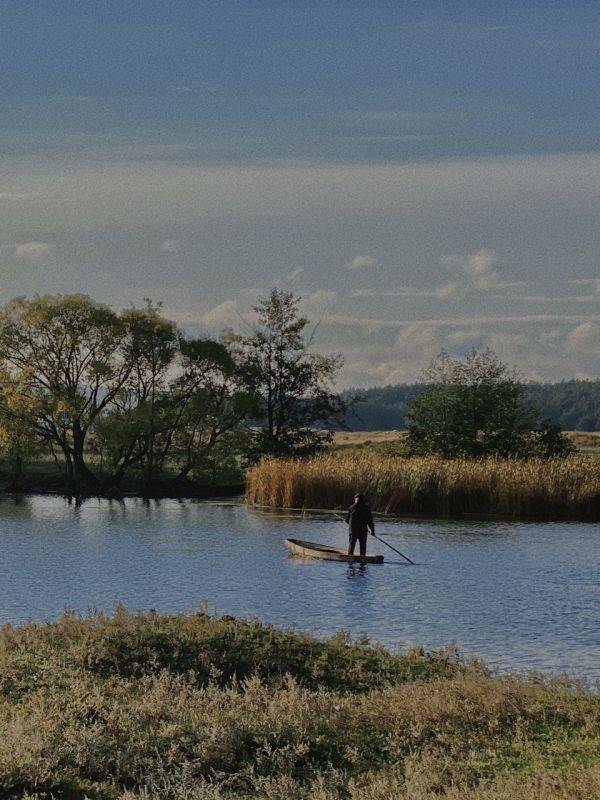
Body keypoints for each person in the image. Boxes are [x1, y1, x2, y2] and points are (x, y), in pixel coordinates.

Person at [345, 492, 374, 562]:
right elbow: (370, 521)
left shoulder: (351, 507)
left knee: (351, 546)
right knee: (363, 547)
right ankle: (362, 562)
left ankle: (350, 562)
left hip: (353, 531)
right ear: (363, 500)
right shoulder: (367, 509)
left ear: (355, 499)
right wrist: (373, 531)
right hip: (363, 531)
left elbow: (347, 520)